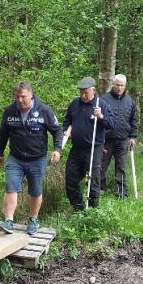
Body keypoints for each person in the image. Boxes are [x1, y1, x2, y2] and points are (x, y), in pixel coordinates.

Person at [0, 81, 63, 235]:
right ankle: (9, 221)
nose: (20, 100)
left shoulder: (44, 111)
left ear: (31, 95)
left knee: (35, 190)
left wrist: (57, 150)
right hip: (15, 158)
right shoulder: (10, 111)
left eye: (23, 97)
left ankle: (33, 220)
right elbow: (3, 133)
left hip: (37, 158)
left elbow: (57, 131)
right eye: (17, 97)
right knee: (11, 186)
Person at [62, 77, 114, 210]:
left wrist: (101, 116)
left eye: (86, 92)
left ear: (93, 90)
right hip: (77, 148)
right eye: (81, 92)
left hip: (94, 148)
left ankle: (92, 209)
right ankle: (78, 207)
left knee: (93, 180)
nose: (83, 95)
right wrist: (66, 131)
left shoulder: (101, 104)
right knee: (70, 178)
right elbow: (67, 121)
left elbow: (111, 124)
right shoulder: (74, 104)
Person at [99, 74, 138, 198]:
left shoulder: (129, 101)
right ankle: (99, 190)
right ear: (113, 84)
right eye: (117, 85)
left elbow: (133, 120)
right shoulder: (104, 99)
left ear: (125, 86)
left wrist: (132, 136)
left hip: (122, 140)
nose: (120, 88)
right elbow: (98, 120)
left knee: (121, 167)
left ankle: (121, 193)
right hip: (106, 140)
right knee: (101, 165)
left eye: (122, 85)